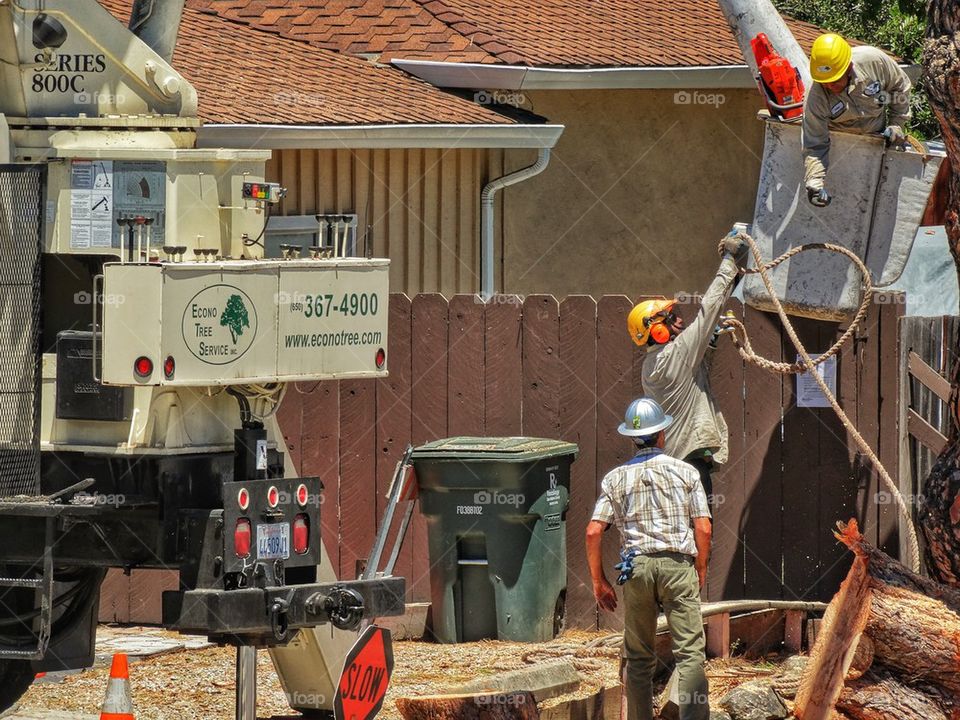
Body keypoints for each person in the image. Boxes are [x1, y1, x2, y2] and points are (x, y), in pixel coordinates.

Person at [586, 397, 712, 720]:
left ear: (632, 437)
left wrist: (599, 581)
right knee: (690, 656)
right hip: (677, 566)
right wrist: (700, 568)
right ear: (662, 435)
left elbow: (593, 532)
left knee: (639, 659)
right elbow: (703, 527)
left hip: (636, 568)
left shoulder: (615, 479)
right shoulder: (686, 473)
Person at [626, 233, 748, 501]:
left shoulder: (652, 364)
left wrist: (710, 343)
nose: (680, 322)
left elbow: (693, 380)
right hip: (690, 466)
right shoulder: (676, 354)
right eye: (672, 319)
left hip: (674, 463)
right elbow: (709, 309)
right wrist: (728, 260)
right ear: (656, 330)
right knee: (700, 534)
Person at [802, 33, 913, 207]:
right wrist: (814, 183)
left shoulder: (874, 62)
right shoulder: (816, 97)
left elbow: (900, 87)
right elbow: (815, 144)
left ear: (849, 68)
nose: (829, 87)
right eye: (824, 82)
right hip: (841, 148)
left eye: (834, 81)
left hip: (878, 139)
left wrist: (896, 124)